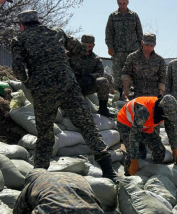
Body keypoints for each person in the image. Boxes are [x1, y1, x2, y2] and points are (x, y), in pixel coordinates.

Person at [11, 10, 119, 182]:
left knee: (45, 135)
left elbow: (17, 69)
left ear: (21, 25)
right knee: (88, 128)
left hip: (43, 91)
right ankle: (109, 171)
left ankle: (39, 176)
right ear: (38, 21)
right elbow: (79, 48)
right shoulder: (56, 32)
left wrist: (28, 82)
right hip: (68, 87)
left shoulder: (19, 40)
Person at [117, 95, 177, 176]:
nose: (168, 117)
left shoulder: (168, 111)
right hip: (126, 123)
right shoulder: (143, 110)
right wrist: (134, 161)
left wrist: (174, 149)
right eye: (167, 115)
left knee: (159, 150)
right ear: (161, 110)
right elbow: (134, 135)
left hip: (145, 126)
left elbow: (171, 130)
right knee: (131, 153)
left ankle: (154, 173)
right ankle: (128, 177)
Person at [105, 0, 143, 93]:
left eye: (124, 3)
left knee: (133, 75)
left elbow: (140, 34)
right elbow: (109, 34)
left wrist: (141, 49)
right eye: (120, 3)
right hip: (118, 52)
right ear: (117, 2)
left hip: (133, 52)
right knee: (118, 76)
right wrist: (110, 46)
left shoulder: (134, 16)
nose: (122, 6)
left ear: (128, 2)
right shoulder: (113, 17)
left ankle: (132, 98)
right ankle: (118, 98)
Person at [69, 34, 113, 117]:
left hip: (87, 86)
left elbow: (100, 72)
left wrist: (90, 77)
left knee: (103, 81)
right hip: (72, 86)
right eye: (84, 46)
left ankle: (103, 108)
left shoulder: (96, 59)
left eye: (89, 46)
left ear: (93, 46)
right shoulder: (71, 55)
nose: (87, 49)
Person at [121, 32, 166, 100]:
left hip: (153, 95)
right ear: (142, 43)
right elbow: (126, 74)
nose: (149, 48)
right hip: (136, 93)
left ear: (155, 45)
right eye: (147, 45)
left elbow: (162, 78)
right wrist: (125, 89)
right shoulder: (132, 57)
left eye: (151, 46)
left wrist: (160, 94)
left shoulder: (160, 60)